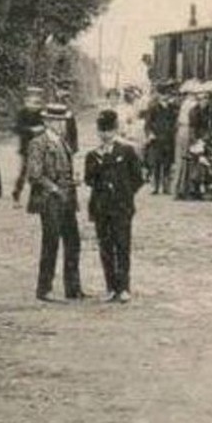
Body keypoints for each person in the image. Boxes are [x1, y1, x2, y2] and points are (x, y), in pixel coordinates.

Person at [84, 108, 144, 302]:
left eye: (109, 130)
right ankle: (110, 287)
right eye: (102, 130)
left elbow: (137, 179)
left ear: (116, 130)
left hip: (121, 207)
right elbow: (89, 180)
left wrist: (124, 194)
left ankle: (124, 287)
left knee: (123, 245)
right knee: (106, 247)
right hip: (101, 207)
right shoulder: (93, 155)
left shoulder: (126, 151)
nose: (105, 135)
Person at [26, 102, 84, 302]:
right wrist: (54, 188)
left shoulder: (63, 141)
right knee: (50, 243)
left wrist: (72, 181)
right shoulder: (38, 143)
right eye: (57, 121)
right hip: (49, 200)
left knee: (73, 243)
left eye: (63, 121)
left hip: (67, 198)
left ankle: (73, 288)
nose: (62, 125)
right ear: (47, 121)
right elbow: (34, 174)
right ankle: (44, 289)